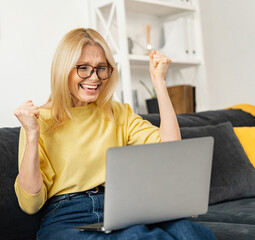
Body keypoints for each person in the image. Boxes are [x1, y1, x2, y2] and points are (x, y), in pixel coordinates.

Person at [13, 28, 216, 240]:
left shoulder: (117, 113)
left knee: (192, 233)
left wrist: (159, 81)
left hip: (120, 209)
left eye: (102, 68)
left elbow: (172, 147)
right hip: (67, 216)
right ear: (64, 70)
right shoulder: (37, 120)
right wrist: (32, 134)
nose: (95, 78)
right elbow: (30, 204)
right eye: (83, 68)